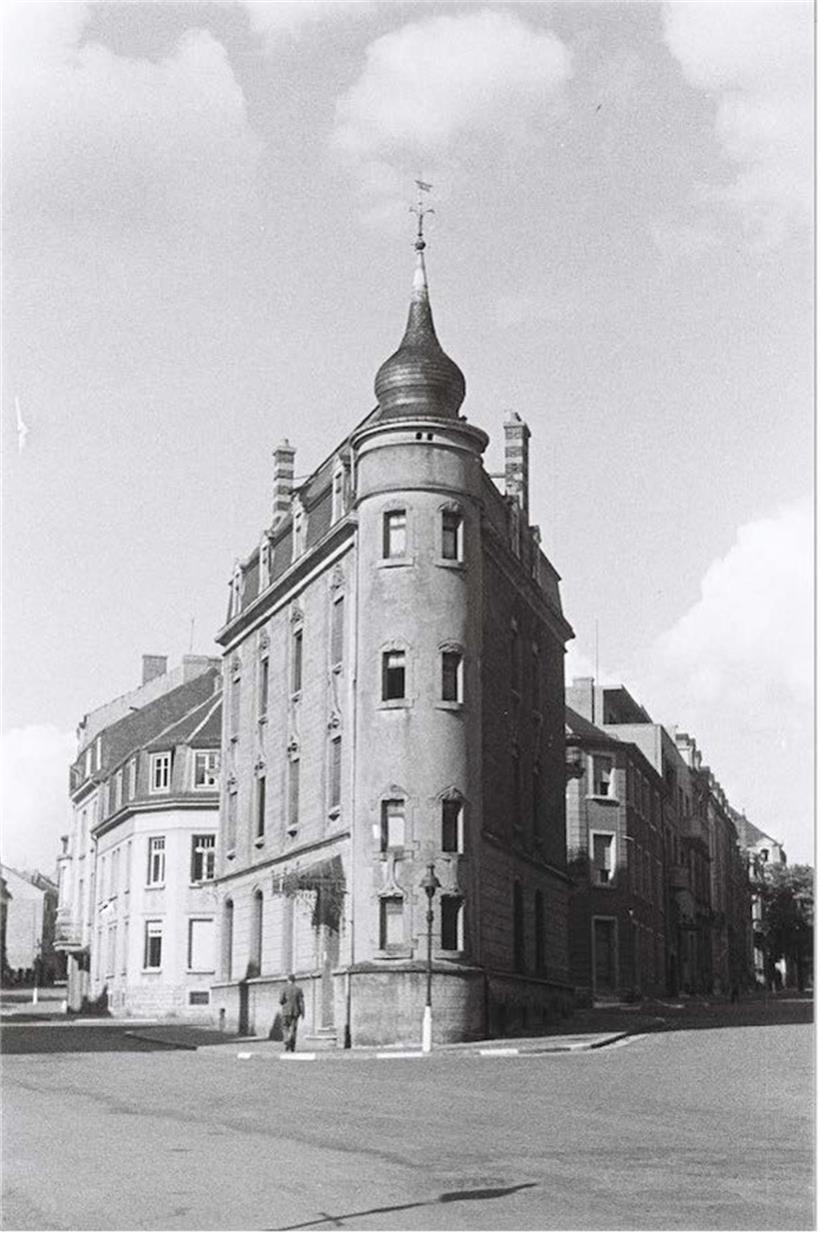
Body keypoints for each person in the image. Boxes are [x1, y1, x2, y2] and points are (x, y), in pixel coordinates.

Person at [279, 972, 305, 1052]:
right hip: (295, 1012)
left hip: (286, 1011)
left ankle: (287, 1040)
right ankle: (292, 1045)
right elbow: (301, 1002)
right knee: (294, 1028)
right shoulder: (299, 989)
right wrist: (303, 1013)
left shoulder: (284, 989)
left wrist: (284, 1002)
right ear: (294, 980)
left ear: (288, 980)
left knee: (285, 1026)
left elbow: (280, 1000)